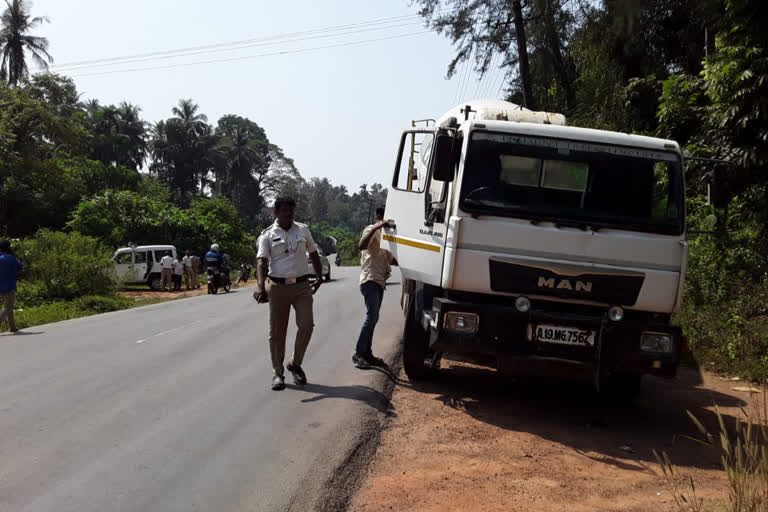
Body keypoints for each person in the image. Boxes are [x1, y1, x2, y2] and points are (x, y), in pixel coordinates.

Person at [254, 196, 324, 391]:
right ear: (276, 212)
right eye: (284, 211)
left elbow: (313, 253)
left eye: (291, 211)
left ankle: (295, 363)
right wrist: (260, 286)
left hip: (302, 286)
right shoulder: (267, 235)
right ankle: (278, 373)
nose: (288, 214)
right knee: (277, 332)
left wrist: (319, 277)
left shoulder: (303, 230)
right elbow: (261, 262)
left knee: (307, 325)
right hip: (277, 287)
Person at [353, 207, 398, 369]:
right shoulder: (371, 230)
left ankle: (367, 353)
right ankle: (359, 354)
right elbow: (361, 245)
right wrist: (378, 227)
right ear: (379, 216)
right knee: (371, 317)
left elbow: (392, 260)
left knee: (374, 318)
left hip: (380, 282)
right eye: (384, 217)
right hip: (369, 279)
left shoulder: (389, 238)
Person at [0, 240, 23, 333]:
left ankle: (12, 327)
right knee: (8, 307)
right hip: (9, 285)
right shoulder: (12, 258)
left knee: (8, 307)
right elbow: (20, 268)